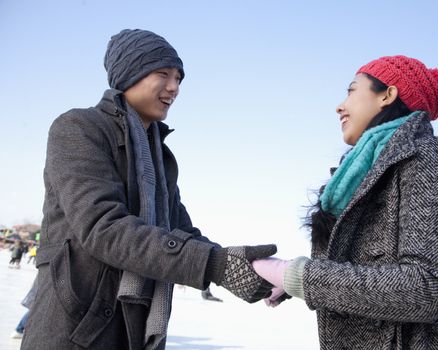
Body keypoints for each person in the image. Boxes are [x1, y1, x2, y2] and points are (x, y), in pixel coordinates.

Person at [21, 29, 276, 350]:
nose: (175, 87)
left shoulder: (160, 157)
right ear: (130, 74)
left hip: (132, 326)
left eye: (179, 78)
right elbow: (104, 228)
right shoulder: (78, 128)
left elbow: (182, 230)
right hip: (76, 324)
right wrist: (215, 264)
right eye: (163, 74)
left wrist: (258, 268)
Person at [252, 55, 438, 349]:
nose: (340, 105)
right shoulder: (366, 175)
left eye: (352, 90)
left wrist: (299, 275)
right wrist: (297, 283)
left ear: (388, 94)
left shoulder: (430, 158)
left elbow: (428, 286)